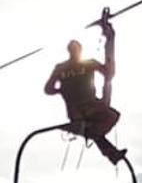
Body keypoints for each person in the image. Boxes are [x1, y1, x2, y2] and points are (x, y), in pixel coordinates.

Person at [42, 16, 125, 164]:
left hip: (76, 114)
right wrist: (110, 40)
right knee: (112, 117)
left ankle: (111, 153)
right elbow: (109, 73)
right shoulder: (86, 64)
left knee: (95, 131)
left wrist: (61, 90)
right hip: (89, 109)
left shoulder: (62, 68)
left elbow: (48, 89)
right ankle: (105, 146)